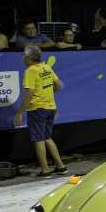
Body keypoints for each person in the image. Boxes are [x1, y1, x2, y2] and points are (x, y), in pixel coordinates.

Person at [13, 46, 68, 178]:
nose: (22, 57)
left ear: (29, 58)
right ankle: (60, 167)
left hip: (37, 109)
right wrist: (47, 94)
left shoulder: (30, 71)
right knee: (47, 138)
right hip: (50, 107)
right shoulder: (46, 67)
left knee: (38, 140)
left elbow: (28, 95)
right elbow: (58, 84)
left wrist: (19, 114)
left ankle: (45, 171)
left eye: (23, 55)